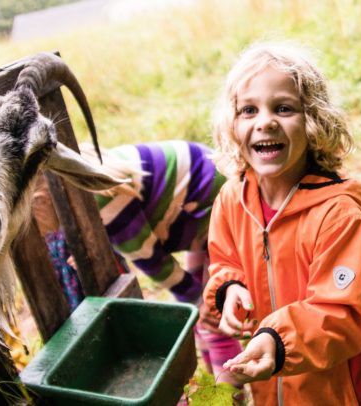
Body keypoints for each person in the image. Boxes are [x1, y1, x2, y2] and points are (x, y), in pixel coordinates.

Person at [202, 42, 361, 405]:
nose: (265, 121)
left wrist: (278, 341)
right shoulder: (233, 200)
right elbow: (225, 259)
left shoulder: (339, 216)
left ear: (312, 121)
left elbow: (343, 312)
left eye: (283, 108)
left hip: (345, 392)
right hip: (272, 383)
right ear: (232, 124)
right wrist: (230, 287)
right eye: (248, 110)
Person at [31, 140, 242, 388]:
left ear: (42, 200)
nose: (41, 234)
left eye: (33, 223)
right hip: (198, 208)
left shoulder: (99, 198)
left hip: (215, 204)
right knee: (200, 312)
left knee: (212, 315)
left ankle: (231, 394)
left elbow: (148, 255)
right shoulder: (82, 191)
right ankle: (213, 385)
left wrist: (195, 297)